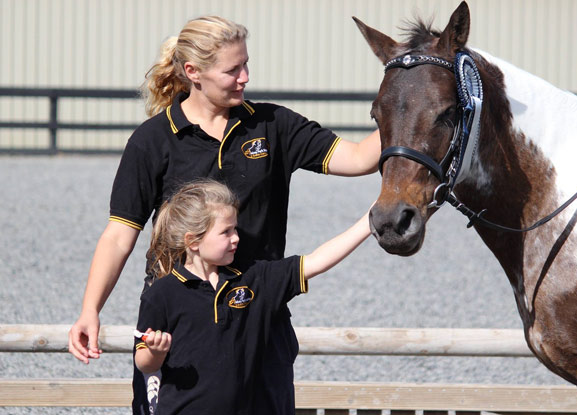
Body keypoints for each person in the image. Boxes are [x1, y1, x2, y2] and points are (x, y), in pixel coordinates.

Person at [67, 15, 380, 415]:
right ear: (193, 72)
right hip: (180, 323)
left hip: (259, 316)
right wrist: (90, 310)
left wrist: (417, 104)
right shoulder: (152, 140)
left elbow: (358, 159)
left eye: (246, 64)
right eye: (232, 69)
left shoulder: (272, 125)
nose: (245, 77)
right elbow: (118, 235)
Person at [133, 179, 372, 415]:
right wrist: (156, 352)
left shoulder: (256, 278)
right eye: (225, 232)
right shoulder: (161, 294)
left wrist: (369, 221)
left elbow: (316, 262)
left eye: (235, 228)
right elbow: (143, 363)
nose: (236, 237)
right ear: (193, 241)